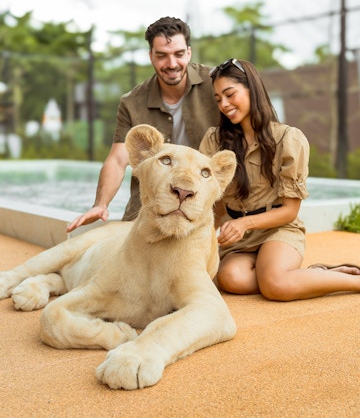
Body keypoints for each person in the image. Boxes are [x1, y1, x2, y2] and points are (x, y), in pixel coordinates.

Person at [199, 58, 360, 301]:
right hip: (240, 240)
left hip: (279, 229)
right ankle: (312, 275)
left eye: (230, 94)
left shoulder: (288, 139)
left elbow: (289, 211)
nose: (224, 104)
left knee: (275, 285)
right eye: (218, 98)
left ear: (252, 89)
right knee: (231, 279)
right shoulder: (213, 140)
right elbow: (214, 202)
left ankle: (353, 282)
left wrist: (244, 224)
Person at [67, 16, 219, 231]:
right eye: (162, 56)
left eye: (178, 54)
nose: (172, 64)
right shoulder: (131, 102)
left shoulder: (216, 83)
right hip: (149, 207)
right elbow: (118, 160)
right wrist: (100, 205)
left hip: (203, 203)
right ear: (151, 57)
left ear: (189, 53)